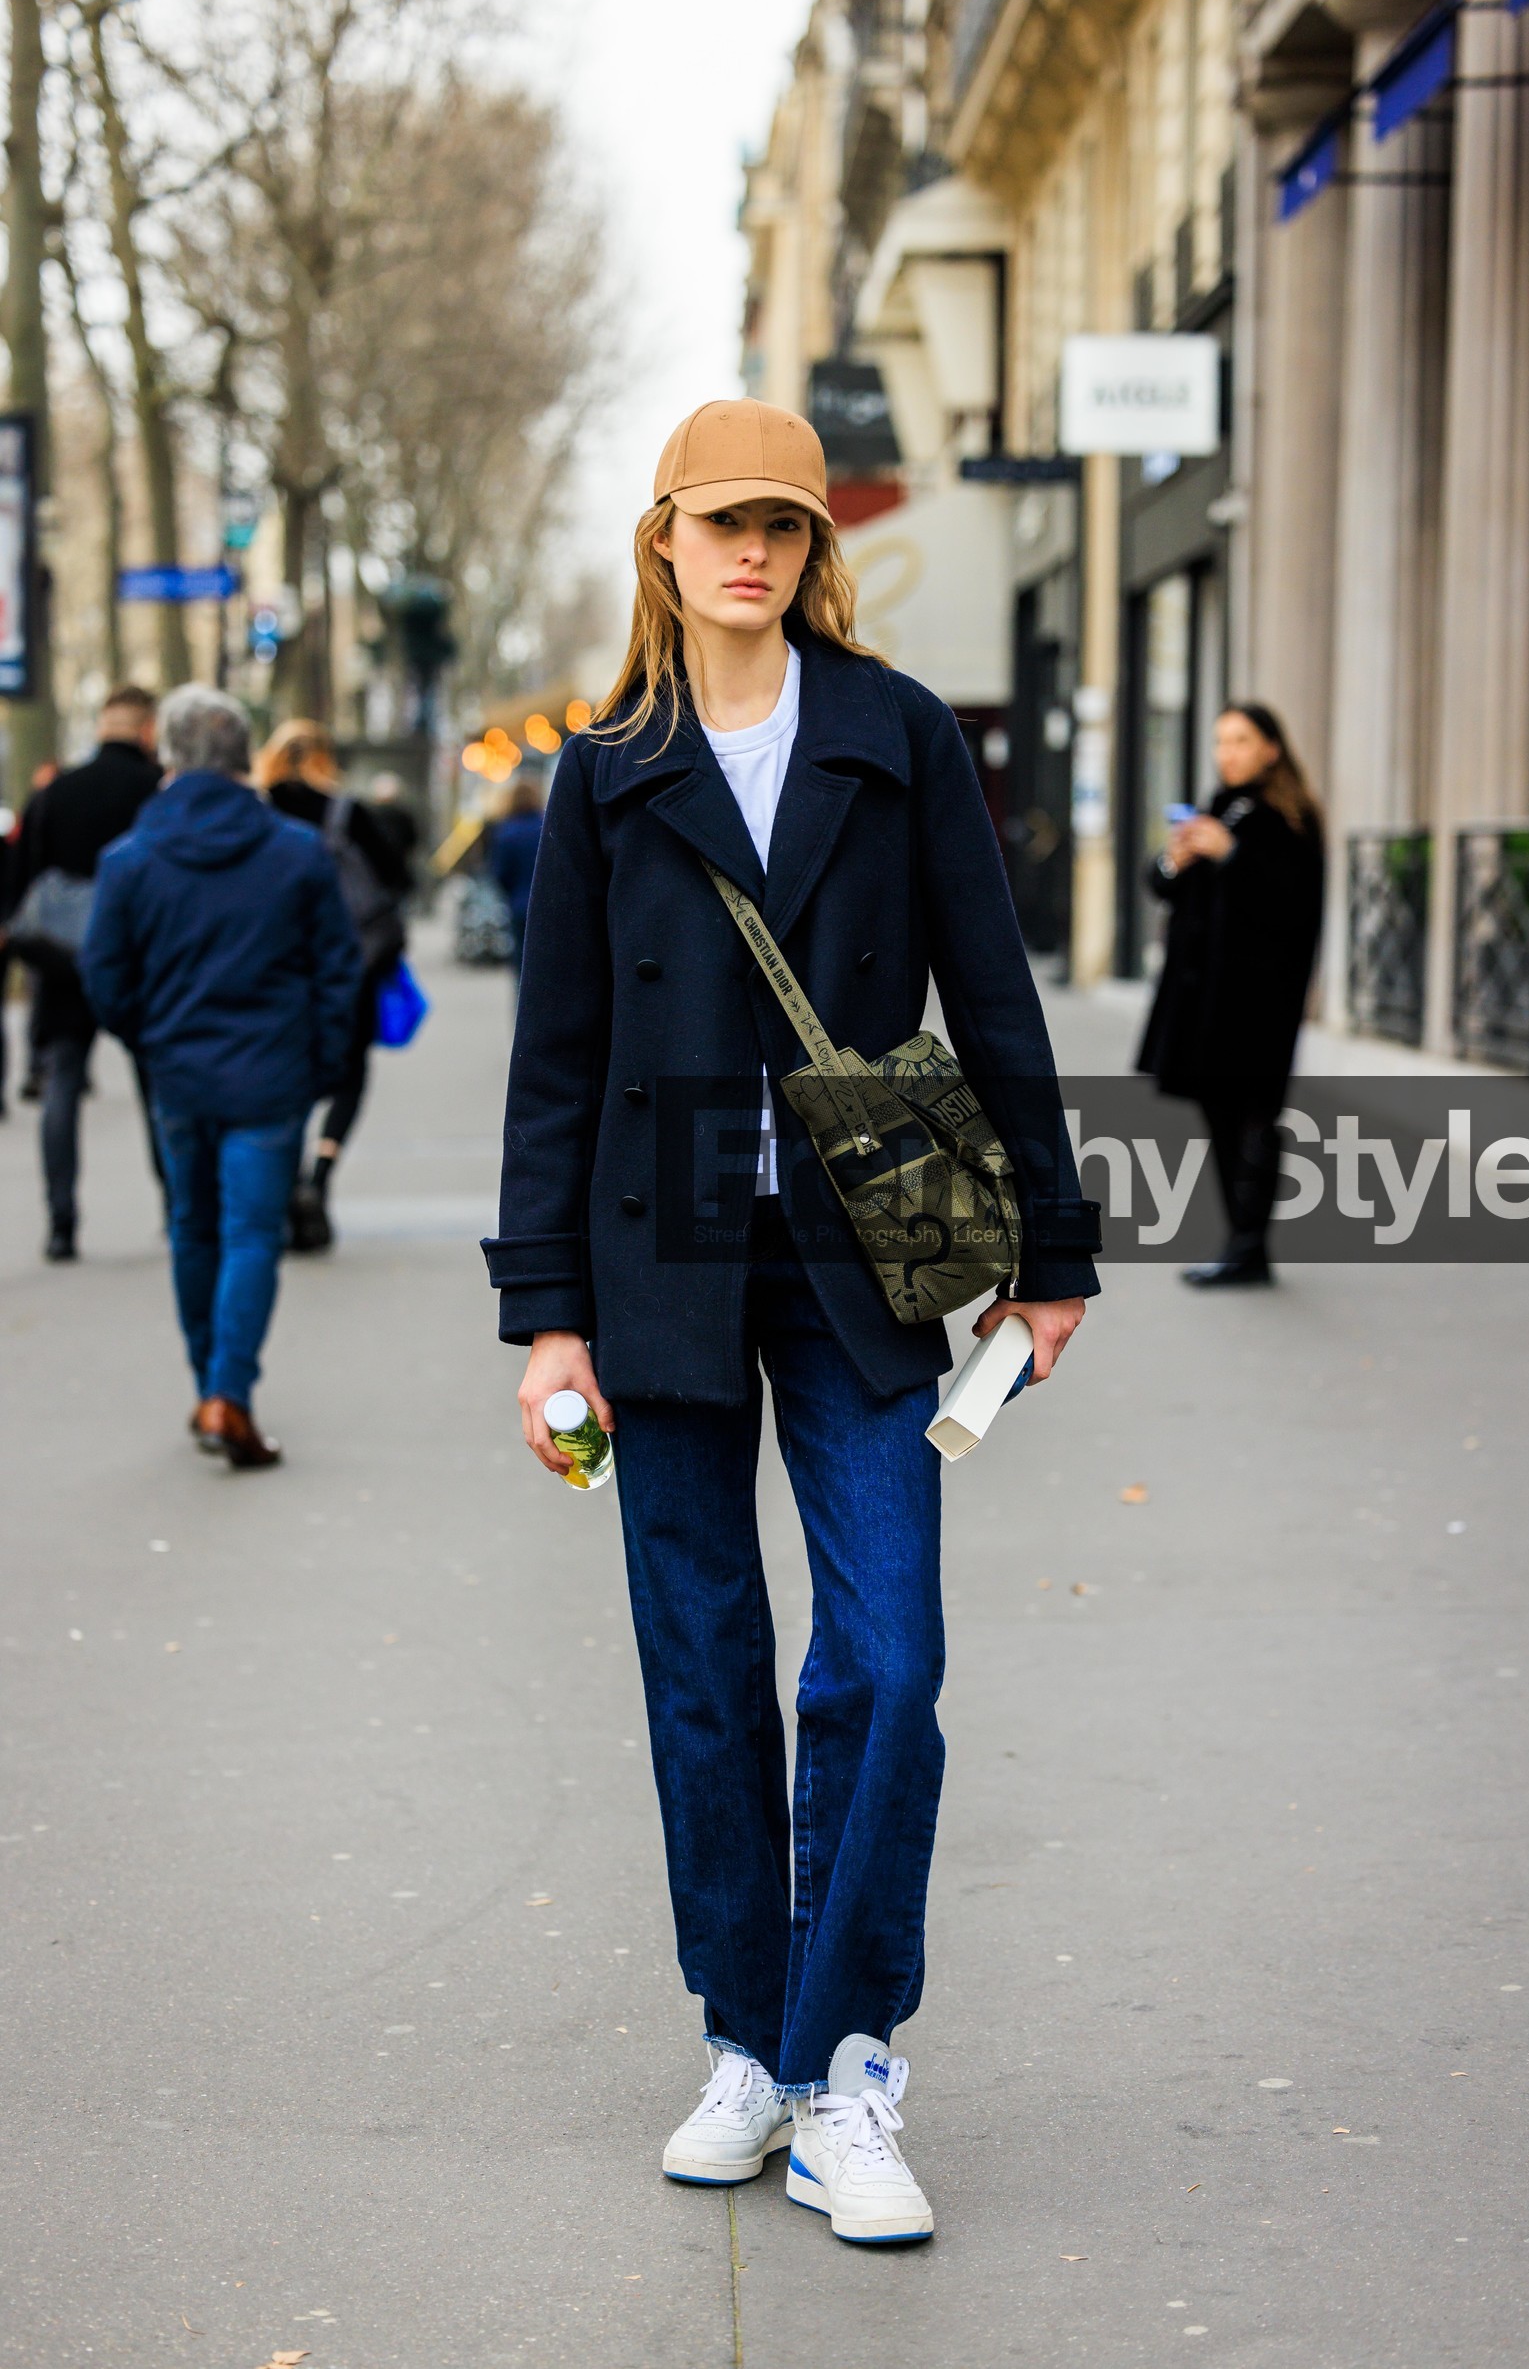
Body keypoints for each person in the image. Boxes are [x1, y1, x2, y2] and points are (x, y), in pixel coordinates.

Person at [483, 399, 1101, 2244]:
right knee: (701, 1663)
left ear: (811, 544)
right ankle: (747, 2039)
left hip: (861, 1246)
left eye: (780, 520)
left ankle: (849, 2062)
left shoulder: (897, 738)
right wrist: (547, 1320)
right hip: (655, 1245)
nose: (749, 548)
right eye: (717, 519)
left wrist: (1052, 1247)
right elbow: (555, 1063)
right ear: (664, 542)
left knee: (886, 1657)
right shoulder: (605, 773)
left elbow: (994, 994)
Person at [82, 686, 362, 1467]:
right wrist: (322, 1064)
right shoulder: (296, 852)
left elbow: (104, 975)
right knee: (249, 1233)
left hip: (177, 1072)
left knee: (192, 1228)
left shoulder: (130, 860)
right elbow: (337, 972)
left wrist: (149, 1038)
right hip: (271, 1074)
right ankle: (227, 1391)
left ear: (167, 755)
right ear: (243, 757)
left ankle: (210, 1380)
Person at [1137, 701, 1325, 1286]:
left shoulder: (1288, 819)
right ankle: (1242, 1241)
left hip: (1260, 1002)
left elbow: (1292, 906)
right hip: (1207, 1000)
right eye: (1221, 741)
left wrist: (1232, 855)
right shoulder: (1222, 807)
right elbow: (1165, 886)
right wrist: (1175, 858)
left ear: (1272, 747)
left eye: (1241, 740)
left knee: (1253, 1117)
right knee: (1219, 1111)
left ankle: (1249, 1245)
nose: (1228, 753)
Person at [6, 690, 163, 1257]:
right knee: (156, 1088)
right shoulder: (155, 793)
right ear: (147, 729)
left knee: (63, 1087)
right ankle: (175, 1205)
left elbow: (22, 881)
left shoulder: (56, 792)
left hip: (65, 961)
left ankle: (61, 1221)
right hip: (140, 962)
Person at [255, 720, 406, 1251]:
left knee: (286, 1075)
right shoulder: (348, 812)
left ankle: (291, 1181)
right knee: (349, 1073)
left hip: (278, 966)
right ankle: (320, 1173)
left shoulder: (259, 813)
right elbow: (395, 876)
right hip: (352, 964)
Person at [487, 778, 544, 971]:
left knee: (521, 959)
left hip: (518, 902)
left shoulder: (506, 831)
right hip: (547, 903)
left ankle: (522, 999)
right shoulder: (546, 826)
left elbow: (500, 872)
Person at [366, 769, 422, 897]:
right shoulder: (404, 816)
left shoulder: (368, 815)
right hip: (398, 875)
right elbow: (412, 842)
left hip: (374, 875)